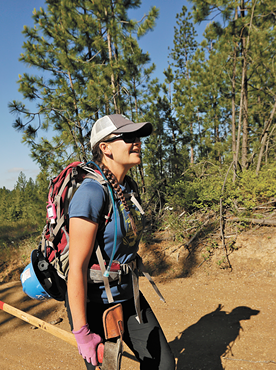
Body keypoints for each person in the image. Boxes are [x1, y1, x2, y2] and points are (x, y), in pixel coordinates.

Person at [66, 114, 175, 369]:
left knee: (163, 365)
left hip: (127, 294)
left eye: (137, 137)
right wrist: (82, 332)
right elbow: (77, 268)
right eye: (128, 137)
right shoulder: (91, 193)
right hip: (94, 303)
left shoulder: (127, 188)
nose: (137, 142)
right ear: (105, 148)